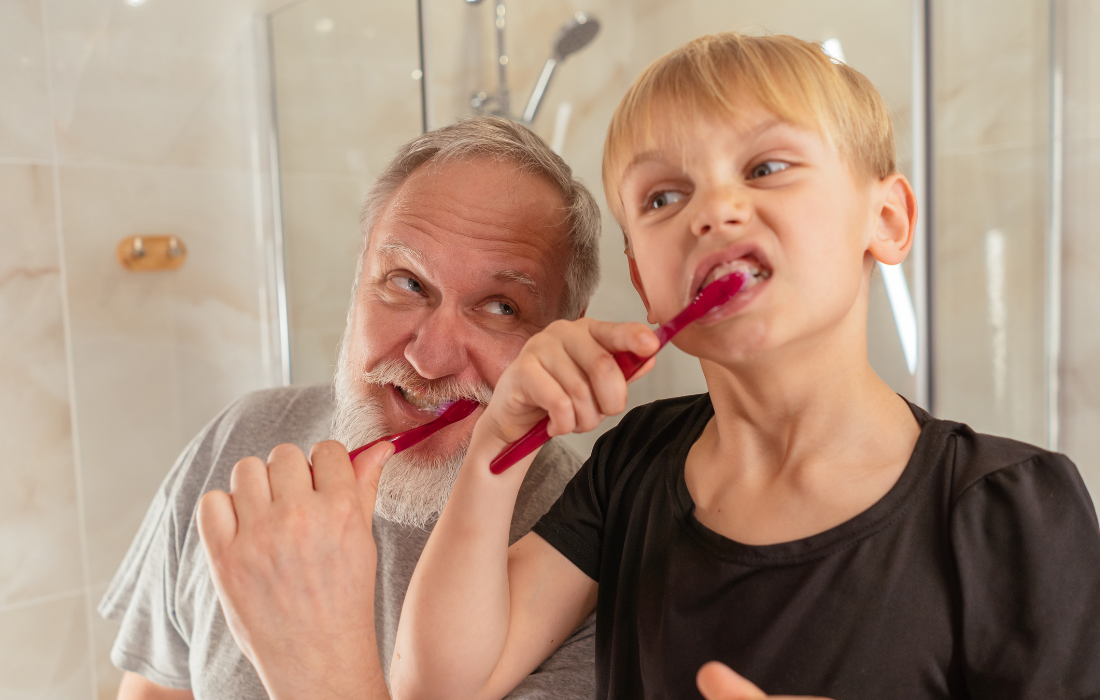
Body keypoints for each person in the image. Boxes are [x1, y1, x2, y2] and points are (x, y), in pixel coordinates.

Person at [391, 33, 1100, 700]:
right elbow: (442, 685)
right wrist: (500, 440)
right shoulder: (631, 467)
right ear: (643, 279)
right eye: (664, 197)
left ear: (886, 219)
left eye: (766, 168)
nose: (715, 211)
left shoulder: (1005, 509)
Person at [98, 117, 603, 700]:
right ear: (358, 275)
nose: (430, 359)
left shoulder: (587, 548)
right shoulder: (242, 437)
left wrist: (316, 667)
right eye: (407, 283)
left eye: (500, 307)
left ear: (565, 335)